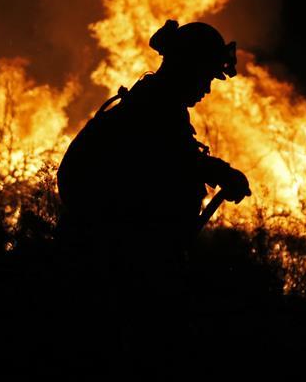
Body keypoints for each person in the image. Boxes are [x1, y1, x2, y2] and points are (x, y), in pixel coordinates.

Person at [55, 19, 251, 373]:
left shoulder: (157, 105)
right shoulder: (153, 107)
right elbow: (169, 156)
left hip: (122, 254)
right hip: (118, 262)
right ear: (186, 66)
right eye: (206, 76)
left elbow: (174, 156)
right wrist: (221, 172)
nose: (207, 88)